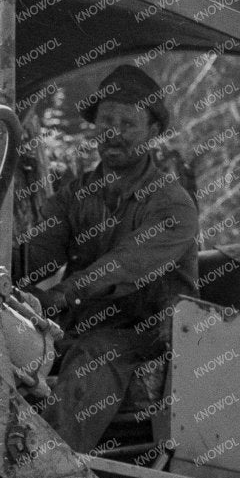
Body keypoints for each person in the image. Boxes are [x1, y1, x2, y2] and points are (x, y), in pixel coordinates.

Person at [18, 63, 200, 456]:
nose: (113, 133)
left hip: (148, 336)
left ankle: (44, 468)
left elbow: (124, 266)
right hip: (78, 329)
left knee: (95, 353)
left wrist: (64, 295)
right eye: (106, 122)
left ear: (153, 132)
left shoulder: (172, 204)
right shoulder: (76, 194)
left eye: (127, 124)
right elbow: (34, 257)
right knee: (3, 340)